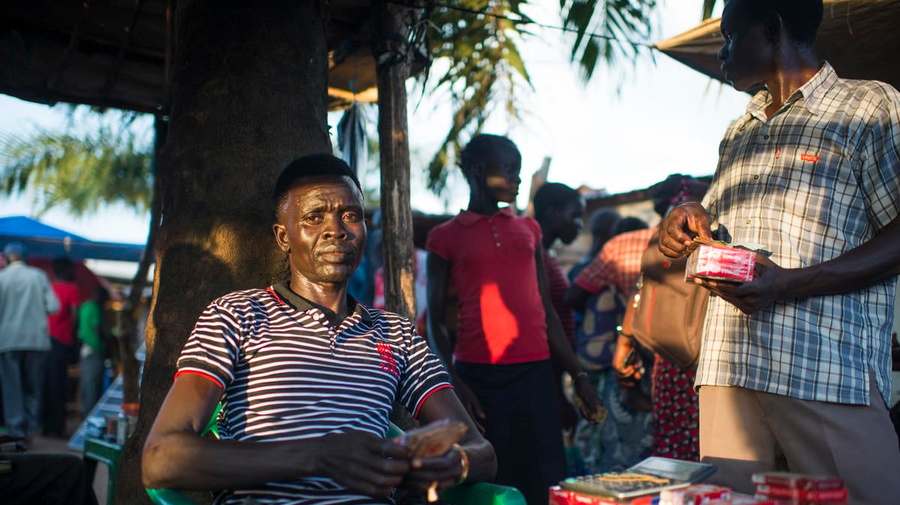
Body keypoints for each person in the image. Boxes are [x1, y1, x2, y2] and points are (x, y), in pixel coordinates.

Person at [143, 154, 496, 505]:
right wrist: (318, 457)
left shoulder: (396, 334)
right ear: (283, 237)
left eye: (351, 216)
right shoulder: (237, 314)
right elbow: (161, 458)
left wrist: (451, 464)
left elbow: (481, 451)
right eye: (314, 218)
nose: (336, 230)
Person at [657, 0, 900, 500]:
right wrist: (690, 217)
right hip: (728, 367)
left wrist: (788, 283)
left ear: (771, 29)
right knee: (732, 500)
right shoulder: (740, 130)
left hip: (827, 369)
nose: (723, 52)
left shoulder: (869, 107)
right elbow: (720, 228)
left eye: (730, 36)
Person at [425, 134, 602, 505]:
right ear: (478, 170)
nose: (517, 179)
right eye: (509, 170)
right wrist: (455, 381)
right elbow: (435, 321)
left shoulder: (528, 230)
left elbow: (545, 309)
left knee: (547, 475)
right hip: (479, 378)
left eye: (518, 171)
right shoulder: (445, 237)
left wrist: (578, 374)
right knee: (496, 478)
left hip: (535, 374)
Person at [612, 175, 710, 463]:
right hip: (700, 351)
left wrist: (624, 342)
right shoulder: (713, 220)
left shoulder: (671, 228)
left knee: (674, 445)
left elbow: (642, 288)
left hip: (672, 355)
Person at [0, 242, 59, 442]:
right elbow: (53, 306)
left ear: (6, 258)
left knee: (12, 389)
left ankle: (16, 431)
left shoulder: (2, 278)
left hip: (8, 341)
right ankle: (30, 431)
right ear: (25, 257)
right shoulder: (39, 276)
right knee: (33, 388)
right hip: (36, 341)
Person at [44, 257, 81, 437]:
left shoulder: (49, 287)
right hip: (62, 341)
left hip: (45, 340)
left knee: (45, 383)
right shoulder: (72, 289)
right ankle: (57, 427)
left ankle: (46, 426)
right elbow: (74, 317)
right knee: (59, 385)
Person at [78, 285, 110, 416]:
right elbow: (98, 329)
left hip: (85, 350)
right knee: (93, 386)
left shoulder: (85, 306)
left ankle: (86, 413)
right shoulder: (96, 308)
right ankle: (90, 415)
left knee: (87, 385)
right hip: (94, 350)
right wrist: (108, 342)